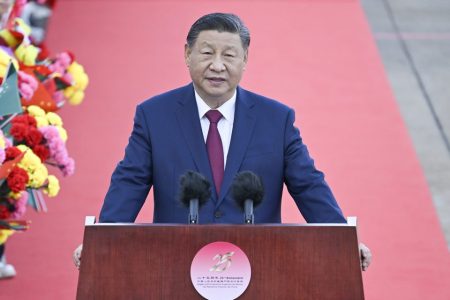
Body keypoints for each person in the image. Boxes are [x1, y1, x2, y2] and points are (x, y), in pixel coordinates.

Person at [73, 13, 372, 270]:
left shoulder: (276, 119)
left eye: (229, 55)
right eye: (206, 53)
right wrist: (102, 240)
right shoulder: (154, 115)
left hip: (259, 265)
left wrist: (342, 239)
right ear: (187, 54)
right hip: (175, 263)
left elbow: (308, 185)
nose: (217, 66)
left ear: (245, 60)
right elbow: (130, 182)